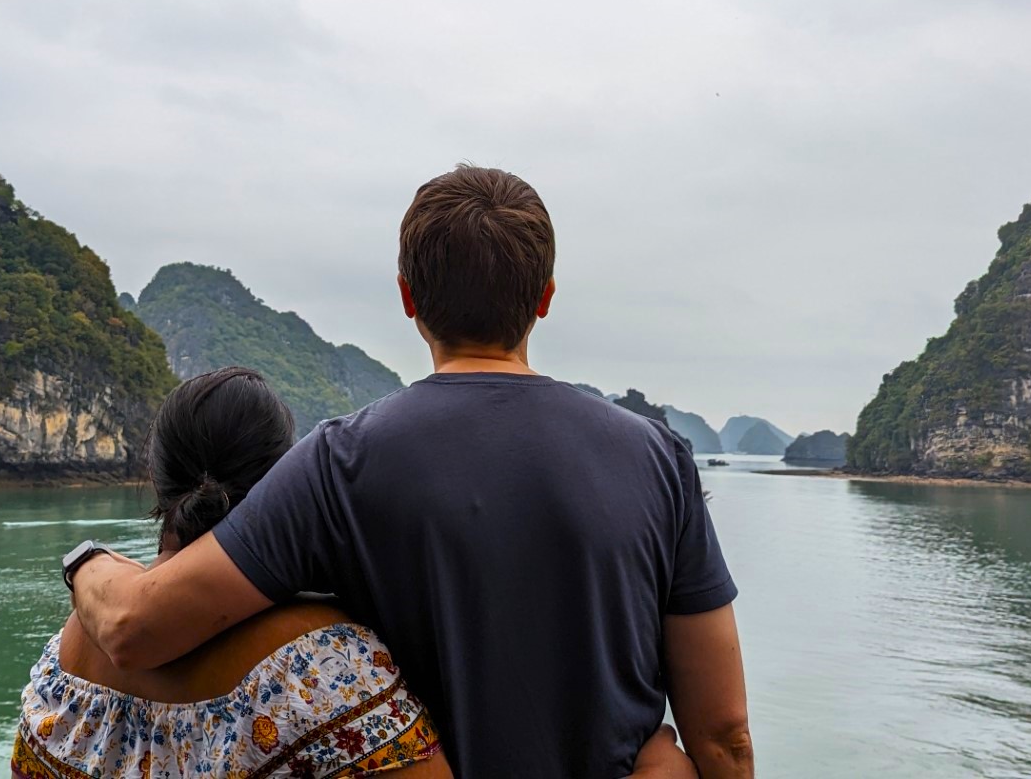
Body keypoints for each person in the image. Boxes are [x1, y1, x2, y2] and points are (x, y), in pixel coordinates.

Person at [66, 167, 753, 777]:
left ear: (408, 298)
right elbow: (723, 737)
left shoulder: (339, 464)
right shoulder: (661, 460)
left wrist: (85, 560)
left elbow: (137, 630)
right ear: (544, 298)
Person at [18, 366, 699, 778]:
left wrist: (87, 558)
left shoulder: (66, 660)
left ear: (155, 479)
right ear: (284, 480)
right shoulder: (326, 669)